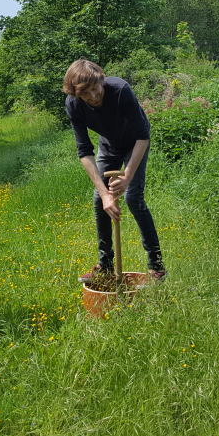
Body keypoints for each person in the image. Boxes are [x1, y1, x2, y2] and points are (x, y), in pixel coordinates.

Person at [63, 59, 166, 283]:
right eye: (85, 93)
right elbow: (84, 151)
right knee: (100, 201)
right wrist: (104, 194)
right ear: (75, 94)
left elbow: (142, 136)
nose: (92, 96)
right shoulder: (73, 104)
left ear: (101, 80)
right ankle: (106, 265)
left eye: (95, 88)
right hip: (108, 146)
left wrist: (127, 176)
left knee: (133, 197)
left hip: (134, 143)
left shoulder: (120, 90)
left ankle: (156, 266)